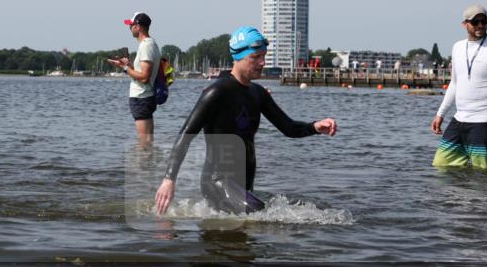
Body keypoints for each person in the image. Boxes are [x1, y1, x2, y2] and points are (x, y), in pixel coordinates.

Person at [154, 26, 337, 215]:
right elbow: (186, 136)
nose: (262, 62)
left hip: (244, 183)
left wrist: (315, 127)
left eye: (263, 56)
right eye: (255, 57)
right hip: (217, 182)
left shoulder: (258, 93)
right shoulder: (216, 92)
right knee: (262, 216)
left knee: (247, 236)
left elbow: (288, 127)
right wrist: (169, 180)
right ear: (238, 56)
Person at [431, 5, 487, 171]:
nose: (480, 25)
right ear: (464, 24)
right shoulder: (457, 47)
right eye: (475, 21)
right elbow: (454, 84)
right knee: (441, 167)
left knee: (484, 176)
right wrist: (440, 114)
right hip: (459, 120)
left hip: (485, 123)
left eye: (483, 21)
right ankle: (457, 198)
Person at [107, 12, 160, 145]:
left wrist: (126, 69)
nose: (129, 28)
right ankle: (148, 165)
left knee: (144, 142)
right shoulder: (148, 44)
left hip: (142, 98)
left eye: (131, 25)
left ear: (138, 26)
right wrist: (126, 65)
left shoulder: (146, 45)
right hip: (143, 98)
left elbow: (144, 77)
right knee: (147, 141)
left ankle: (144, 165)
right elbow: (141, 73)